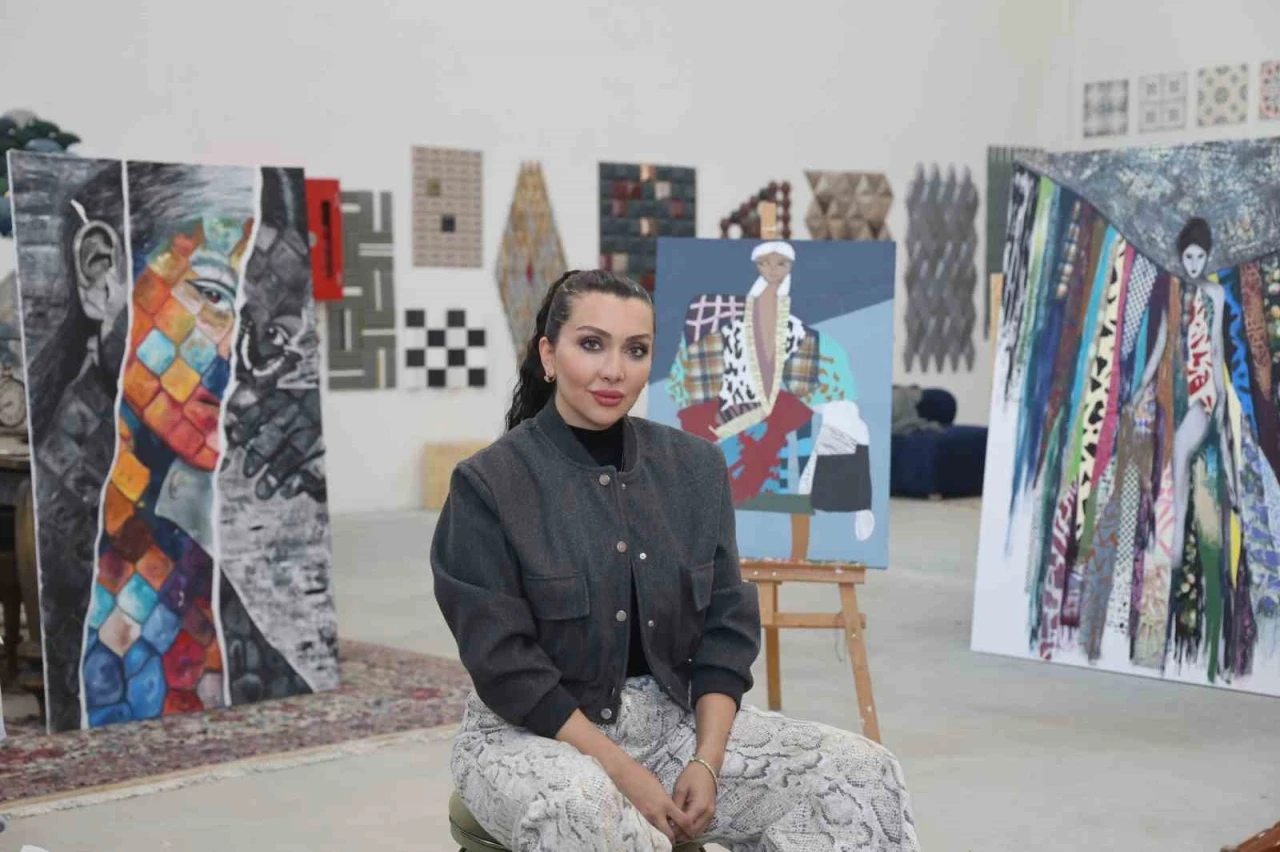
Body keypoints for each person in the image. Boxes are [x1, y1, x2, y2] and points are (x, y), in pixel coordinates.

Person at [432, 269, 918, 851]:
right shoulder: (488, 484)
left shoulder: (695, 468)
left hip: (671, 726)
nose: (615, 370)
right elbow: (506, 666)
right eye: (592, 344)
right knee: (587, 809)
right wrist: (622, 772)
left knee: (858, 771)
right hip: (530, 737)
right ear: (548, 355)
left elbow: (725, 630)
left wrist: (707, 761)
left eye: (635, 350)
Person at [665, 241, 875, 541]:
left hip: (783, 388)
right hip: (747, 397)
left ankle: (844, 498)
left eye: (781, 264)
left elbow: (795, 354)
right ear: (759, 266)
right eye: (767, 263)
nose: (774, 270)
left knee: (849, 420)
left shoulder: (795, 317)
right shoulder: (735, 314)